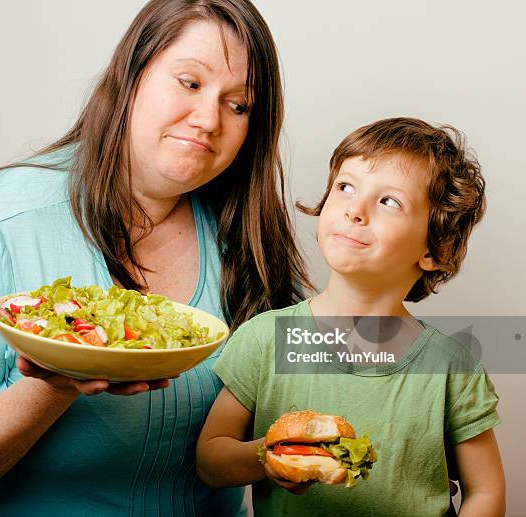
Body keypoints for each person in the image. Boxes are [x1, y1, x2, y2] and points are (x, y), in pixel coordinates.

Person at [0, 1, 311, 515]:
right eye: (190, 83)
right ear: (130, 75)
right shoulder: (0, 224)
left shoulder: (246, 235)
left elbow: (321, 381)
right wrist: (56, 384)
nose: (209, 119)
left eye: (238, 105)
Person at [196, 117, 506, 516]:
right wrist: (272, 456)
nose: (355, 211)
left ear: (434, 248)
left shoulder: (451, 367)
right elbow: (211, 458)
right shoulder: (264, 339)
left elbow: (486, 491)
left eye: (389, 201)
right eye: (345, 187)